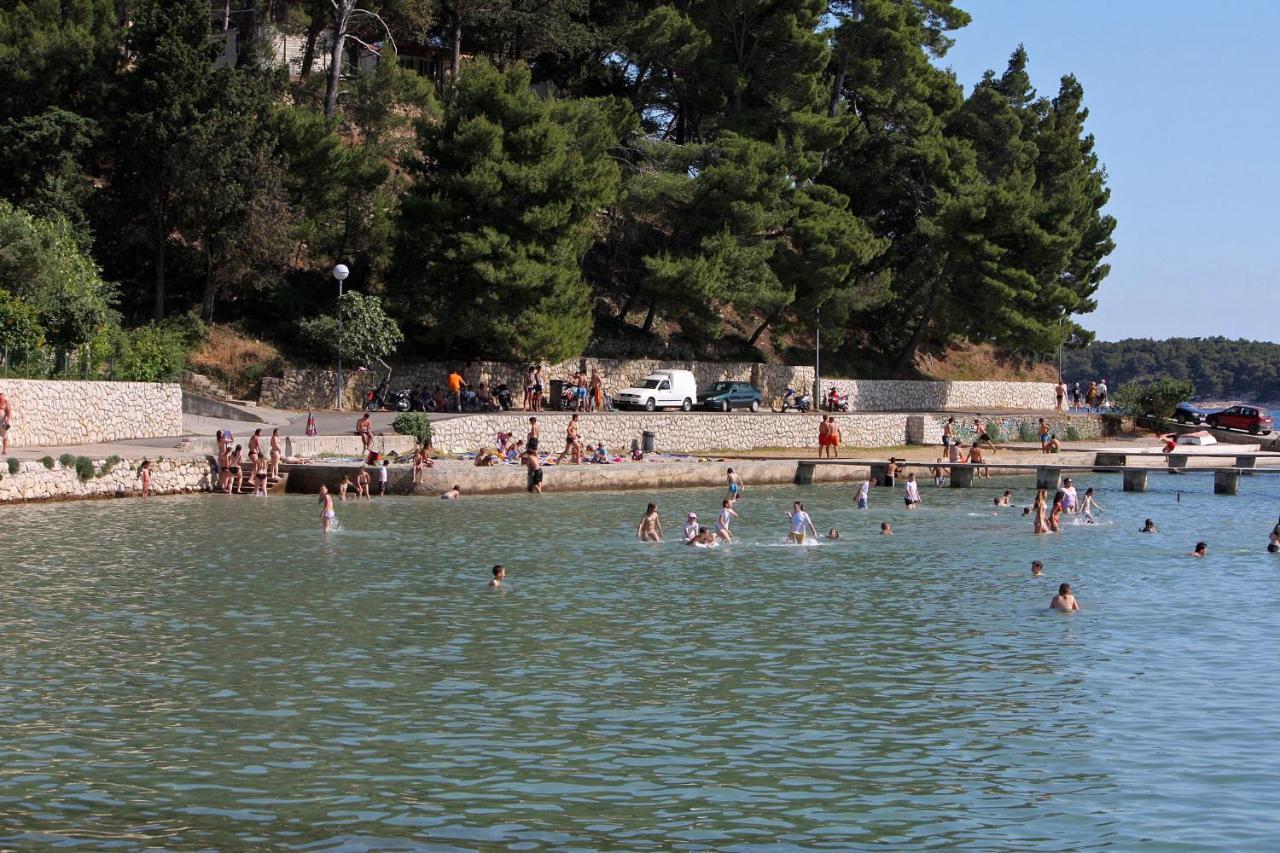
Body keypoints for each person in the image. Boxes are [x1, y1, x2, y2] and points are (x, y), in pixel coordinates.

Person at [0, 389, 10, 454]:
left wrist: (7, 421)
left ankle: (4, 450)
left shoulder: (5, 402)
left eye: (1, 395)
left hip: (2, 421)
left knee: (5, 436)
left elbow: (9, 412)